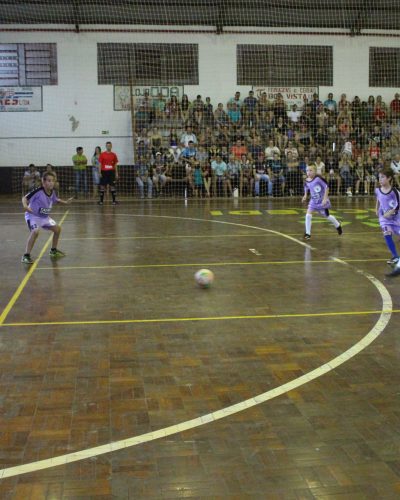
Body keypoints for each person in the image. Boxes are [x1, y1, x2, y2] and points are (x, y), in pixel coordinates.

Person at [21, 172, 72, 264]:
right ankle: (26, 256)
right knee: (35, 232)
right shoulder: (38, 191)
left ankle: (53, 250)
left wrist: (66, 202)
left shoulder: (52, 192)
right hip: (33, 216)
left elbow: (56, 199)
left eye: (53, 181)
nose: (51, 183)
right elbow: (24, 198)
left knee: (57, 229)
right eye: (49, 181)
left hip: (44, 217)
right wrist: (25, 206)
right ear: (43, 182)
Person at [302, 164, 342, 240]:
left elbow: (327, 187)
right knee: (308, 214)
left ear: (315, 171)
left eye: (311, 170)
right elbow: (306, 186)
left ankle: (337, 224)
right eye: (307, 170)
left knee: (327, 216)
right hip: (313, 202)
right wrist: (305, 195)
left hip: (322, 202)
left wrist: (325, 198)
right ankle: (308, 233)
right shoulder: (307, 180)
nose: (308, 172)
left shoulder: (318, 178)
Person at [375, 167, 400, 275]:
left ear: (389, 178)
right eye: (379, 177)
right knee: (387, 234)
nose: (380, 179)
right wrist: (376, 209)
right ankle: (395, 256)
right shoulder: (378, 190)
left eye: (383, 177)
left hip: (396, 218)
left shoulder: (395, 191)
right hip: (384, 219)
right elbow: (379, 198)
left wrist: (391, 212)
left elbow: (398, 205)